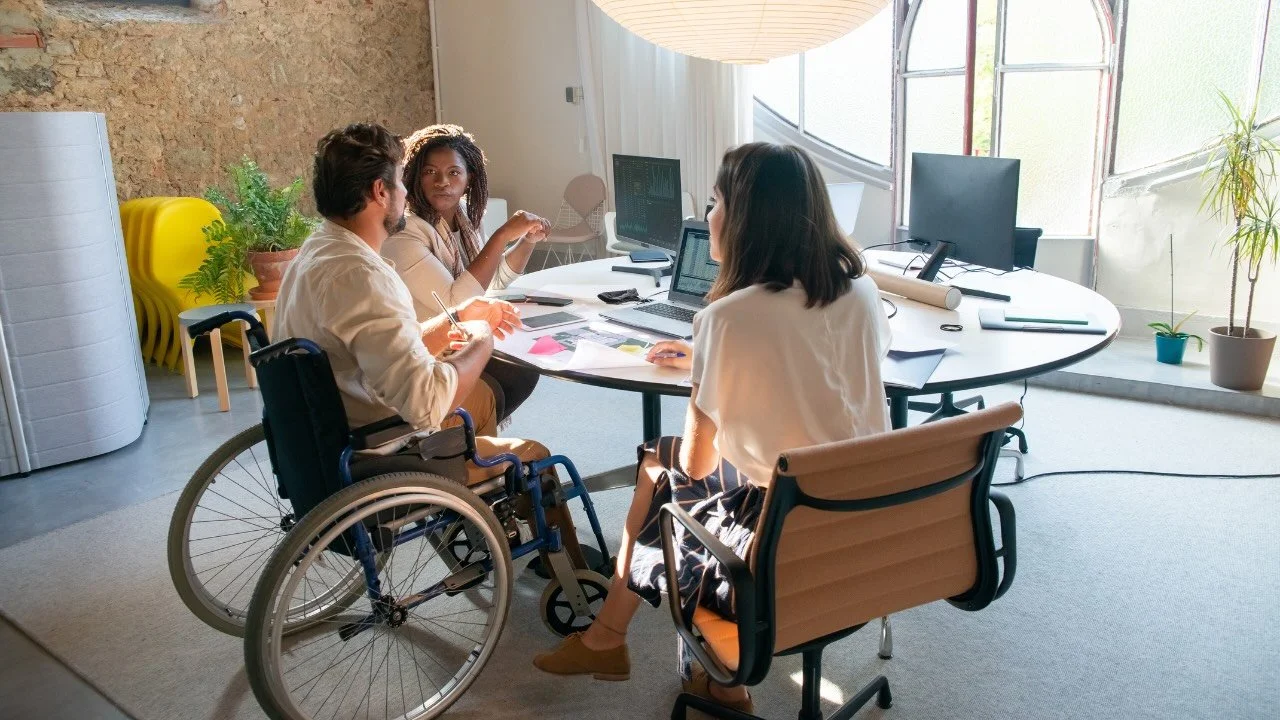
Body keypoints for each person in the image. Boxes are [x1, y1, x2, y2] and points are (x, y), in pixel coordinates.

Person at [532, 142, 892, 713]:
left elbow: (697, 465)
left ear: (747, 219)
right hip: (868, 517)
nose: (707, 217)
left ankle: (659, 657)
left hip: (781, 533)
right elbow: (823, 371)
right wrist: (715, 355)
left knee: (660, 468)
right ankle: (638, 650)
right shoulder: (862, 292)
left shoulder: (727, 318)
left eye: (716, 202)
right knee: (664, 465)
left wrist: (711, 363)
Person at [274, 122, 587, 567]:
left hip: (326, 430)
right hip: (384, 447)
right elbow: (425, 403)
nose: (408, 191)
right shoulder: (366, 276)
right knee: (534, 453)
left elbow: (376, 346)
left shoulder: (318, 251)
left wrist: (457, 318)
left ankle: (487, 519)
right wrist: (477, 339)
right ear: (381, 192)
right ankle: (572, 577)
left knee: (491, 383)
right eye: (404, 180)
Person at [383, 123, 546, 425]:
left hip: (460, 339)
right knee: (515, 366)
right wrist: (501, 236)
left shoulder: (464, 220)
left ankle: (470, 437)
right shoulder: (405, 233)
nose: (442, 182)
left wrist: (526, 241)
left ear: (470, 179)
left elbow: (490, 281)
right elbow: (459, 300)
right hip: (427, 355)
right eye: (430, 172)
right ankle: (456, 436)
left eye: (454, 173)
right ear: (415, 176)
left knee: (524, 360)